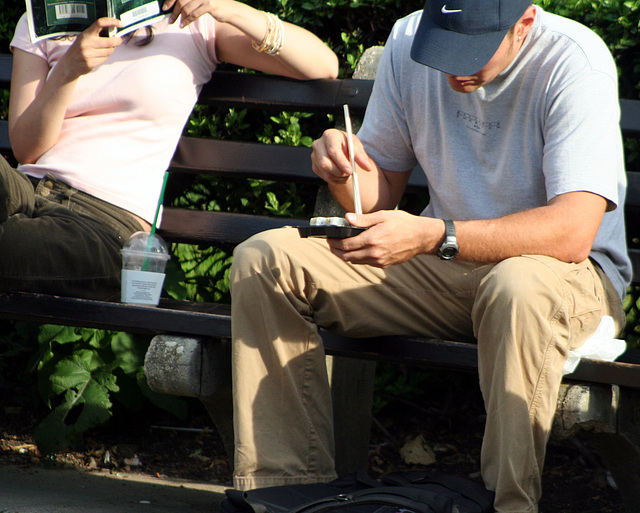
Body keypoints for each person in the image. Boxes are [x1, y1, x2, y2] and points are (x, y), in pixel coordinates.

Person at [229, 0, 630, 511]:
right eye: (444, 47)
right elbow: (381, 193)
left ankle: (508, 506)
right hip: (448, 266)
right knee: (267, 258)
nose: (454, 68)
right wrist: (341, 167)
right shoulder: (408, 39)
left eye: (473, 51)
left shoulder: (574, 61)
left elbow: (572, 231)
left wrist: (433, 235)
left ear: (524, 22)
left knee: (516, 285)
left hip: (566, 279)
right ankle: (285, 494)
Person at [3, 0, 338, 300]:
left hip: (102, 223)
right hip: (28, 189)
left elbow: (322, 65)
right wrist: (68, 70)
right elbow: (27, 150)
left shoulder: (193, 24)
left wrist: (230, 9)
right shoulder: (45, 20)